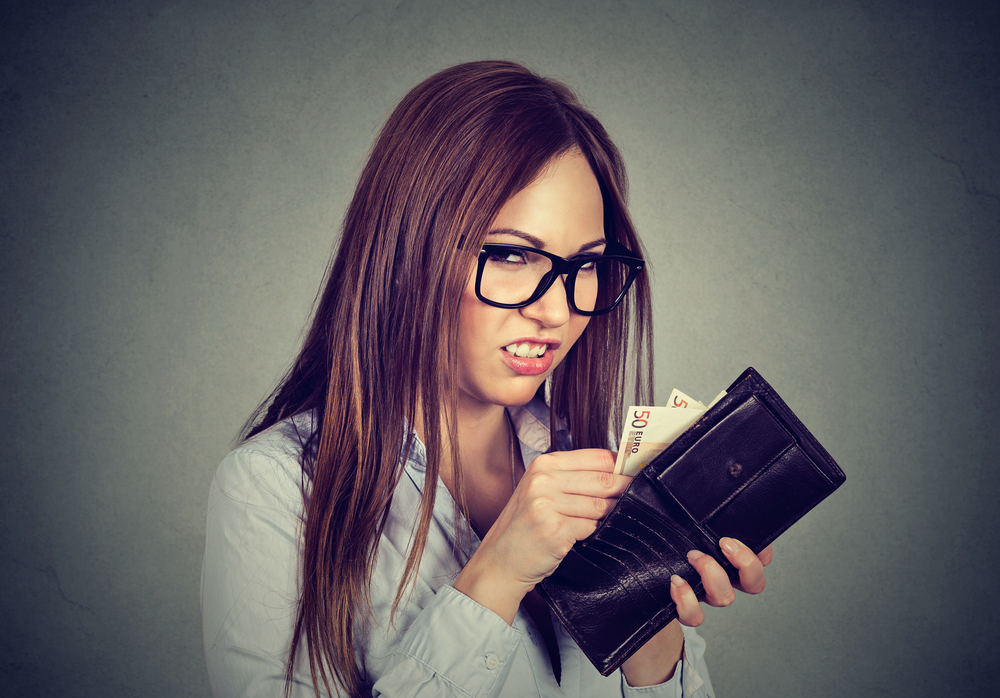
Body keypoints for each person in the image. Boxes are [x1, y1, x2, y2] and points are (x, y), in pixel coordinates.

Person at [201, 60, 771, 698]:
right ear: (408, 251)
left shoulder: (602, 469)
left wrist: (648, 621)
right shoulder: (274, 489)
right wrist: (496, 575)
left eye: (586, 265)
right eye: (509, 254)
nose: (555, 311)